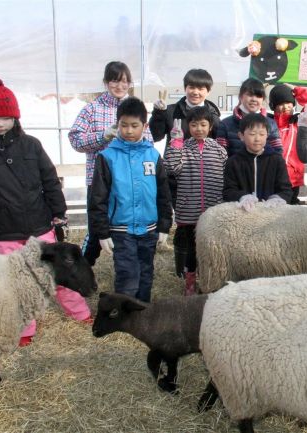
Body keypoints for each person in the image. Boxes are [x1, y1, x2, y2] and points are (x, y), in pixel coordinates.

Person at [0, 77, 92, 346]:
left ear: (15, 117)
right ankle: (24, 328)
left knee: (57, 273)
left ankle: (79, 313)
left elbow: (49, 178)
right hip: (4, 231)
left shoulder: (31, 145)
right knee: (14, 282)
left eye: (6, 117)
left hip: (39, 226)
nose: (0, 123)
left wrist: (58, 211)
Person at [88, 97, 172, 303]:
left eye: (134, 126)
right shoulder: (107, 157)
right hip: (121, 230)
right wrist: (102, 232)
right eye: (123, 125)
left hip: (149, 228)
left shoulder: (152, 155)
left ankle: (142, 312)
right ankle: (125, 315)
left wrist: (164, 226)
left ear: (144, 126)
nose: (129, 130)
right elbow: (97, 198)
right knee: (127, 274)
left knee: (146, 272)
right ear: (117, 125)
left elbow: (163, 192)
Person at [69, 61, 151, 267]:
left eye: (124, 81)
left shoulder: (135, 107)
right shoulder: (92, 109)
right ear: (106, 82)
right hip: (99, 181)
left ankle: (126, 272)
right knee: (97, 230)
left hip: (130, 182)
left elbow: (148, 142)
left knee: (126, 230)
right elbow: (75, 140)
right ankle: (83, 270)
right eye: (114, 80)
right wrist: (103, 136)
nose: (119, 86)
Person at [149, 68, 222, 279]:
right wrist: (158, 114)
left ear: (208, 91)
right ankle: (183, 272)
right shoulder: (172, 111)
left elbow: (219, 144)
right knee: (183, 224)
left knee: (206, 224)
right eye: (191, 87)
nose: (195, 92)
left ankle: (205, 267)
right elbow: (154, 136)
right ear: (185, 88)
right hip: (176, 177)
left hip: (204, 178)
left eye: (201, 88)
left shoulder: (213, 114)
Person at [163, 106, 227, 295]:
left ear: (210, 126)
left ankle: (210, 282)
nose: (198, 128)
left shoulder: (219, 150)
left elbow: (226, 175)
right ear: (187, 126)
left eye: (203, 124)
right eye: (193, 125)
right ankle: (190, 284)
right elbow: (171, 167)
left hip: (212, 212)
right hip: (188, 211)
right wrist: (175, 143)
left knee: (211, 250)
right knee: (190, 251)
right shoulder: (182, 148)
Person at [223, 113, 292, 209]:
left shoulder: (277, 160)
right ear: (241, 136)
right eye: (252, 134)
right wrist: (242, 196)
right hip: (243, 213)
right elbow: (228, 191)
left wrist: (278, 198)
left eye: (262, 134)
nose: (257, 139)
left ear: (267, 135)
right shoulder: (233, 162)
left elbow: (286, 190)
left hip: (271, 212)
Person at [267, 83, 307, 204]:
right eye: (280, 104)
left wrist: (296, 90)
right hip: (270, 179)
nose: (285, 106)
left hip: (292, 180)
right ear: (273, 106)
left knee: (290, 215)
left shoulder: (300, 122)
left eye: (288, 103)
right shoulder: (267, 123)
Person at [217, 77, 283, 157]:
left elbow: (277, 152)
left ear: (263, 99)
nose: (254, 99)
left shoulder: (271, 124)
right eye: (250, 95)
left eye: (258, 96)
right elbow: (220, 155)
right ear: (241, 97)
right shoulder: (225, 124)